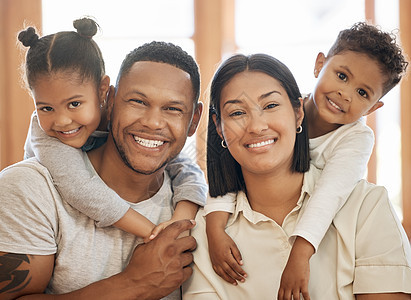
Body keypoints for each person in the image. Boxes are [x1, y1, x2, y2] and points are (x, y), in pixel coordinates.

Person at [202, 22, 409, 299]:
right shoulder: (280, 110)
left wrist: (300, 255)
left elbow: (330, 194)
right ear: (319, 64)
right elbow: (230, 175)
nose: (344, 94)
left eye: (363, 93)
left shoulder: (356, 142)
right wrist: (214, 229)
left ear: (373, 107)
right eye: (341, 76)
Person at [0, 39, 204, 299]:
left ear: (193, 120)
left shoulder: (203, 209)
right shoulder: (29, 187)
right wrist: (133, 284)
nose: (153, 123)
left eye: (173, 109)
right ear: (110, 99)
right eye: (138, 102)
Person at [19, 18, 207, 243]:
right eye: (46, 108)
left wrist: (183, 217)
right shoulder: (48, 143)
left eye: (74, 104)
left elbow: (183, 165)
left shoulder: (111, 116)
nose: (62, 121)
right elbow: (82, 190)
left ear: (103, 93)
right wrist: (155, 234)